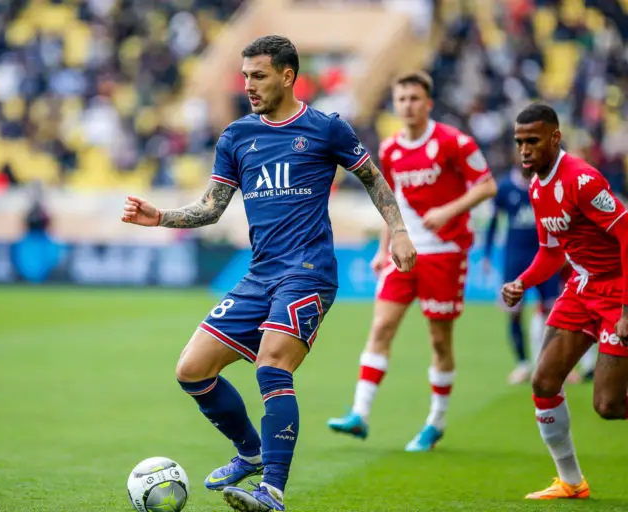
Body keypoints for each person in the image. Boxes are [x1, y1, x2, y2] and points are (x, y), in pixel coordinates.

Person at [121, 35, 416, 512]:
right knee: (192, 370)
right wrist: (161, 218)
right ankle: (251, 452)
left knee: (272, 366)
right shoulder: (236, 137)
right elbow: (211, 208)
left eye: (258, 75)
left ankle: (272, 491)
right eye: (244, 76)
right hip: (260, 276)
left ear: (287, 75)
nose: (248, 85)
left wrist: (398, 231)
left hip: (308, 273)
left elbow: (373, 178)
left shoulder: (326, 129)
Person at [327, 72, 497, 451]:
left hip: (445, 252)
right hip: (404, 253)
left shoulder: (454, 142)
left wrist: (448, 210)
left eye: (414, 98)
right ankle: (359, 414)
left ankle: (436, 421)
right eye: (401, 99)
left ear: (428, 103)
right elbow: (391, 200)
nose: (407, 105)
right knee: (381, 327)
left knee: (439, 340)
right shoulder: (390, 148)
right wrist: (382, 248)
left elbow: (487, 185)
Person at [501, 103, 628, 500]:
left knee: (608, 405)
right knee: (543, 381)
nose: (524, 150)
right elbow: (551, 252)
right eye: (519, 142)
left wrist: (626, 309)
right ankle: (571, 482)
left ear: (555, 138)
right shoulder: (537, 187)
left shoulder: (582, 181)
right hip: (582, 287)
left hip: (617, 289)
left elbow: (627, 234)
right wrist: (522, 282)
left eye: (533, 141)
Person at [484, 167, 559, 383]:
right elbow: (493, 221)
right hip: (515, 258)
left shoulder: (548, 185)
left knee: (553, 312)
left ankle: (554, 364)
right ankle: (523, 363)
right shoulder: (505, 187)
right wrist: (487, 253)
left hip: (544, 256)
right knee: (514, 312)